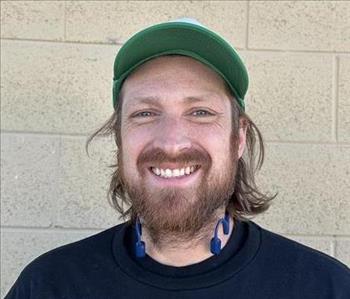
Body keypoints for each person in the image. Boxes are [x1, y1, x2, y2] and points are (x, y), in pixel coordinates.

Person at [5, 18, 350, 299]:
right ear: (120, 138)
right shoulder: (49, 285)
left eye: (200, 112)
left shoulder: (325, 288)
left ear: (239, 137)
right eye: (145, 113)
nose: (171, 142)